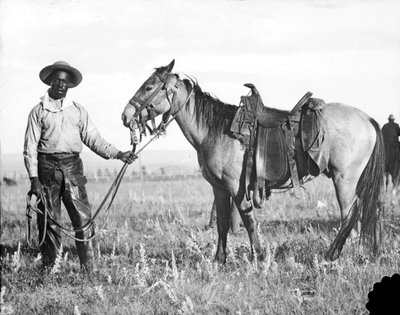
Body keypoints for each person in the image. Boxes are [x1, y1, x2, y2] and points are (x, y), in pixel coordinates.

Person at [23, 61, 136, 271]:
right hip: (46, 171)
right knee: (49, 222)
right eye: (57, 80)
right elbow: (30, 147)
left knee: (83, 219)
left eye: (64, 81)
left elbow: (94, 139)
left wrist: (118, 154)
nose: (60, 84)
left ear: (69, 85)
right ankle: (50, 271)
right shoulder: (38, 111)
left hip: (73, 169)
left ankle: (89, 271)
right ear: (50, 81)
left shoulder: (78, 111)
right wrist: (34, 179)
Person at [382, 114, 400, 187]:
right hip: (394, 147)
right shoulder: (396, 125)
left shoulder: (384, 126)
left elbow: (381, 135)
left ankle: (386, 186)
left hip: (385, 148)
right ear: (393, 120)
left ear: (388, 120)